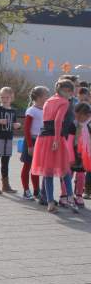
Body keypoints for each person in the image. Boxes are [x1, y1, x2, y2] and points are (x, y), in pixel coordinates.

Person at [32, 79, 75, 213]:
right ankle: (70, 198)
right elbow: (57, 121)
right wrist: (57, 139)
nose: (72, 94)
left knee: (48, 171)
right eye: (71, 91)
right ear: (65, 91)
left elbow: (46, 121)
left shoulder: (49, 100)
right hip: (55, 137)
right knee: (65, 169)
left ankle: (50, 202)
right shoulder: (64, 102)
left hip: (43, 137)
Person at [0, 87, 21, 194]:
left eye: (7, 97)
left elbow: (15, 124)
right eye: (2, 97)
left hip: (9, 140)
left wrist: (18, 126)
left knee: (5, 163)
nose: (4, 99)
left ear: (12, 98)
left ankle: (6, 185)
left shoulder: (13, 111)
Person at [21, 86, 48, 202]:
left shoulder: (45, 109)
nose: (47, 97)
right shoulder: (31, 110)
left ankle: (37, 191)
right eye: (45, 95)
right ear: (38, 97)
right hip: (31, 141)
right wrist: (30, 146)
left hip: (41, 141)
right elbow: (26, 129)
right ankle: (26, 191)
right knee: (27, 166)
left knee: (36, 167)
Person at [67, 102, 91, 208]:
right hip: (73, 152)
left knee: (81, 175)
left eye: (81, 115)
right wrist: (70, 156)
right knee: (69, 174)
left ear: (88, 115)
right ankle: (67, 195)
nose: (79, 117)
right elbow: (69, 141)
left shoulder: (89, 124)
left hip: (85, 154)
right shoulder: (74, 124)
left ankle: (79, 195)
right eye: (77, 115)